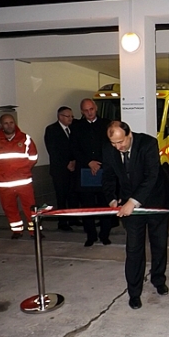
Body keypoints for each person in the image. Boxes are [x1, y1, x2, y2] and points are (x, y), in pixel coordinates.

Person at [102, 121, 169, 310]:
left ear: (129, 134)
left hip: (156, 200)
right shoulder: (108, 150)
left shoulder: (148, 143)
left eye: (121, 142)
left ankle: (158, 279)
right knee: (134, 249)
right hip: (129, 204)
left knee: (159, 244)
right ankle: (134, 292)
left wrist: (132, 202)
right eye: (113, 143)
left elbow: (152, 176)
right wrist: (112, 200)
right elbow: (108, 176)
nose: (118, 147)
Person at [0, 114, 39, 239]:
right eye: (6, 123)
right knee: (9, 208)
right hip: (4, 182)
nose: (9, 125)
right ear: (1, 125)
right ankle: (17, 230)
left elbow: (33, 157)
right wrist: (3, 172)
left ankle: (34, 231)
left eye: (11, 122)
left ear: (15, 123)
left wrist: (22, 170)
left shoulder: (25, 138)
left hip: (23, 181)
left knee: (30, 207)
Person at [70, 98, 112, 246]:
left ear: (96, 108)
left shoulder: (106, 124)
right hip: (85, 171)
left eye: (91, 109)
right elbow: (74, 148)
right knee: (87, 207)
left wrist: (99, 163)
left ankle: (105, 235)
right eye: (86, 110)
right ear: (82, 112)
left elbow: (110, 146)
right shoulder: (77, 127)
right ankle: (91, 235)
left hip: (103, 169)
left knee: (105, 205)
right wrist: (89, 162)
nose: (89, 113)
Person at [44, 106, 80, 231]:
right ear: (60, 117)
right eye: (68, 116)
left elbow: (75, 147)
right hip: (60, 170)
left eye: (72, 116)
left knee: (73, 195)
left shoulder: (73, 129)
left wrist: (74, 161)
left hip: (73, 168)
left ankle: (73, 219)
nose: (70, 119)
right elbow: (53, 150)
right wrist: (66, 163)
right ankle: (62, 222)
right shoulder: (52, 130)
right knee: (61, 196)